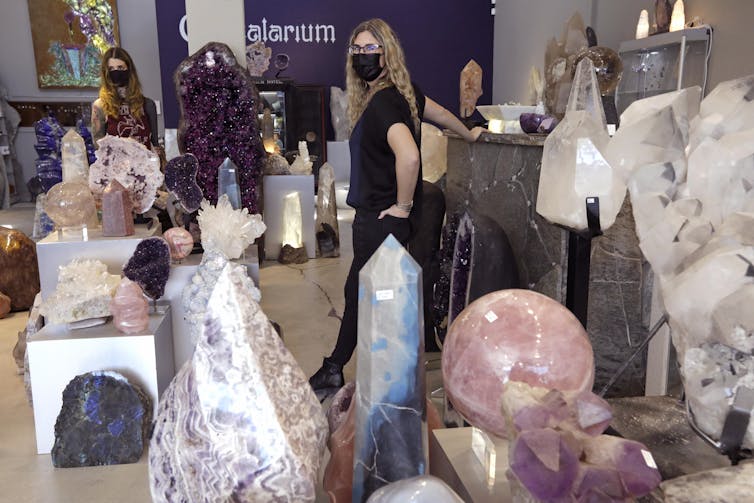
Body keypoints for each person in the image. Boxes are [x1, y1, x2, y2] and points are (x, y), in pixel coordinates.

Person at [309, 18, 484, 399]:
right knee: (360, 291)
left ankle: (357, 376)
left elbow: (408, 158)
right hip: (381, 220)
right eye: (357, 50)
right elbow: (439, 114)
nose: (362, 56)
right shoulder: (403, 94)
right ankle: (338, 368)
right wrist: (467, 131)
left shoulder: (385, 102)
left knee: (371, 298)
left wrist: (402, 207)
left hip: (380, 220)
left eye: (370, 49)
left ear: (387, 54)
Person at [91, 47, 159, 151]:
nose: (116, 72)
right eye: (111, 69)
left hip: (144, 164)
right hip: (115, 165)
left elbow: (155, 144)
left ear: (129, 69)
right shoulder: (100, 106)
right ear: (106, 73)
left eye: (120, 67)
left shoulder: (147, 104)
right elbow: (98, 147)